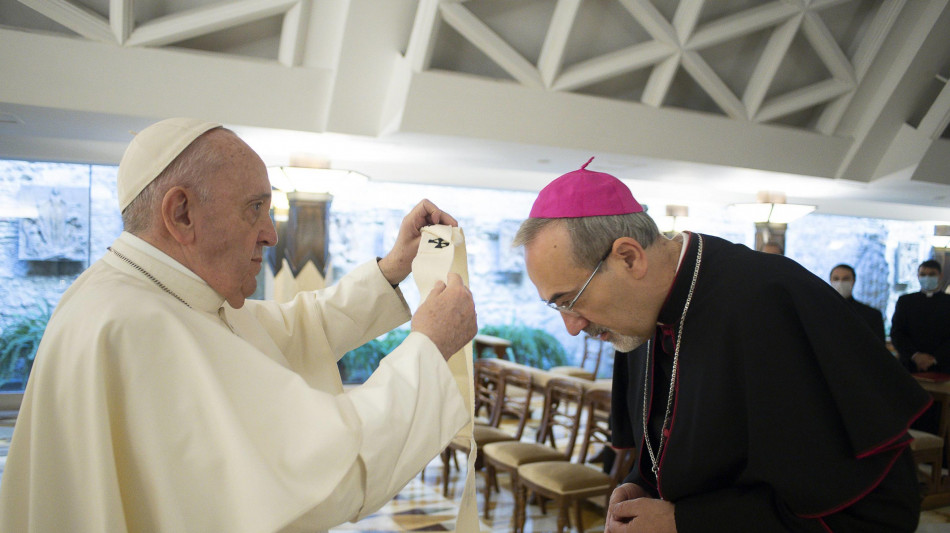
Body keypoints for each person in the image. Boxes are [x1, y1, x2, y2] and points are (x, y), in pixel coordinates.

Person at [0, 118, 477, 532]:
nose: (270, 234)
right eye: (254, 208)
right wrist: (428, 346)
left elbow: (300, 327)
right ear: (181, 213)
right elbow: (327, 473)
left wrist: (394, 266)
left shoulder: (162, 296)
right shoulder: (136, 323)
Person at [513, 158, 930, 532]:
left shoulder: (768, 302)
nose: (572, 326)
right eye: (556, 306)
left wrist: (686, 522)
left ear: (628, 258)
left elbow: (875, 511)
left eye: (570, 299)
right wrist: (640, 486)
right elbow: (679, 445)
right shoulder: (636, 319)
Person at [891, 259, 950, 374]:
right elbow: (897, 333)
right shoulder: (905, 301)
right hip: (909, 366)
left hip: (944, 366)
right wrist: (915, 356)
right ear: (918, 276)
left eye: (932, 274)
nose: (927, 278)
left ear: (940, 276)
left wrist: (934, 359)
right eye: (923, 274)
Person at [828, 263, 886, 342]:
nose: (840, 282)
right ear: (830, 281)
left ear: (853, 281)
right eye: (836, 279)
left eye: (845, 279)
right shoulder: (819, 312)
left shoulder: (872, 315)